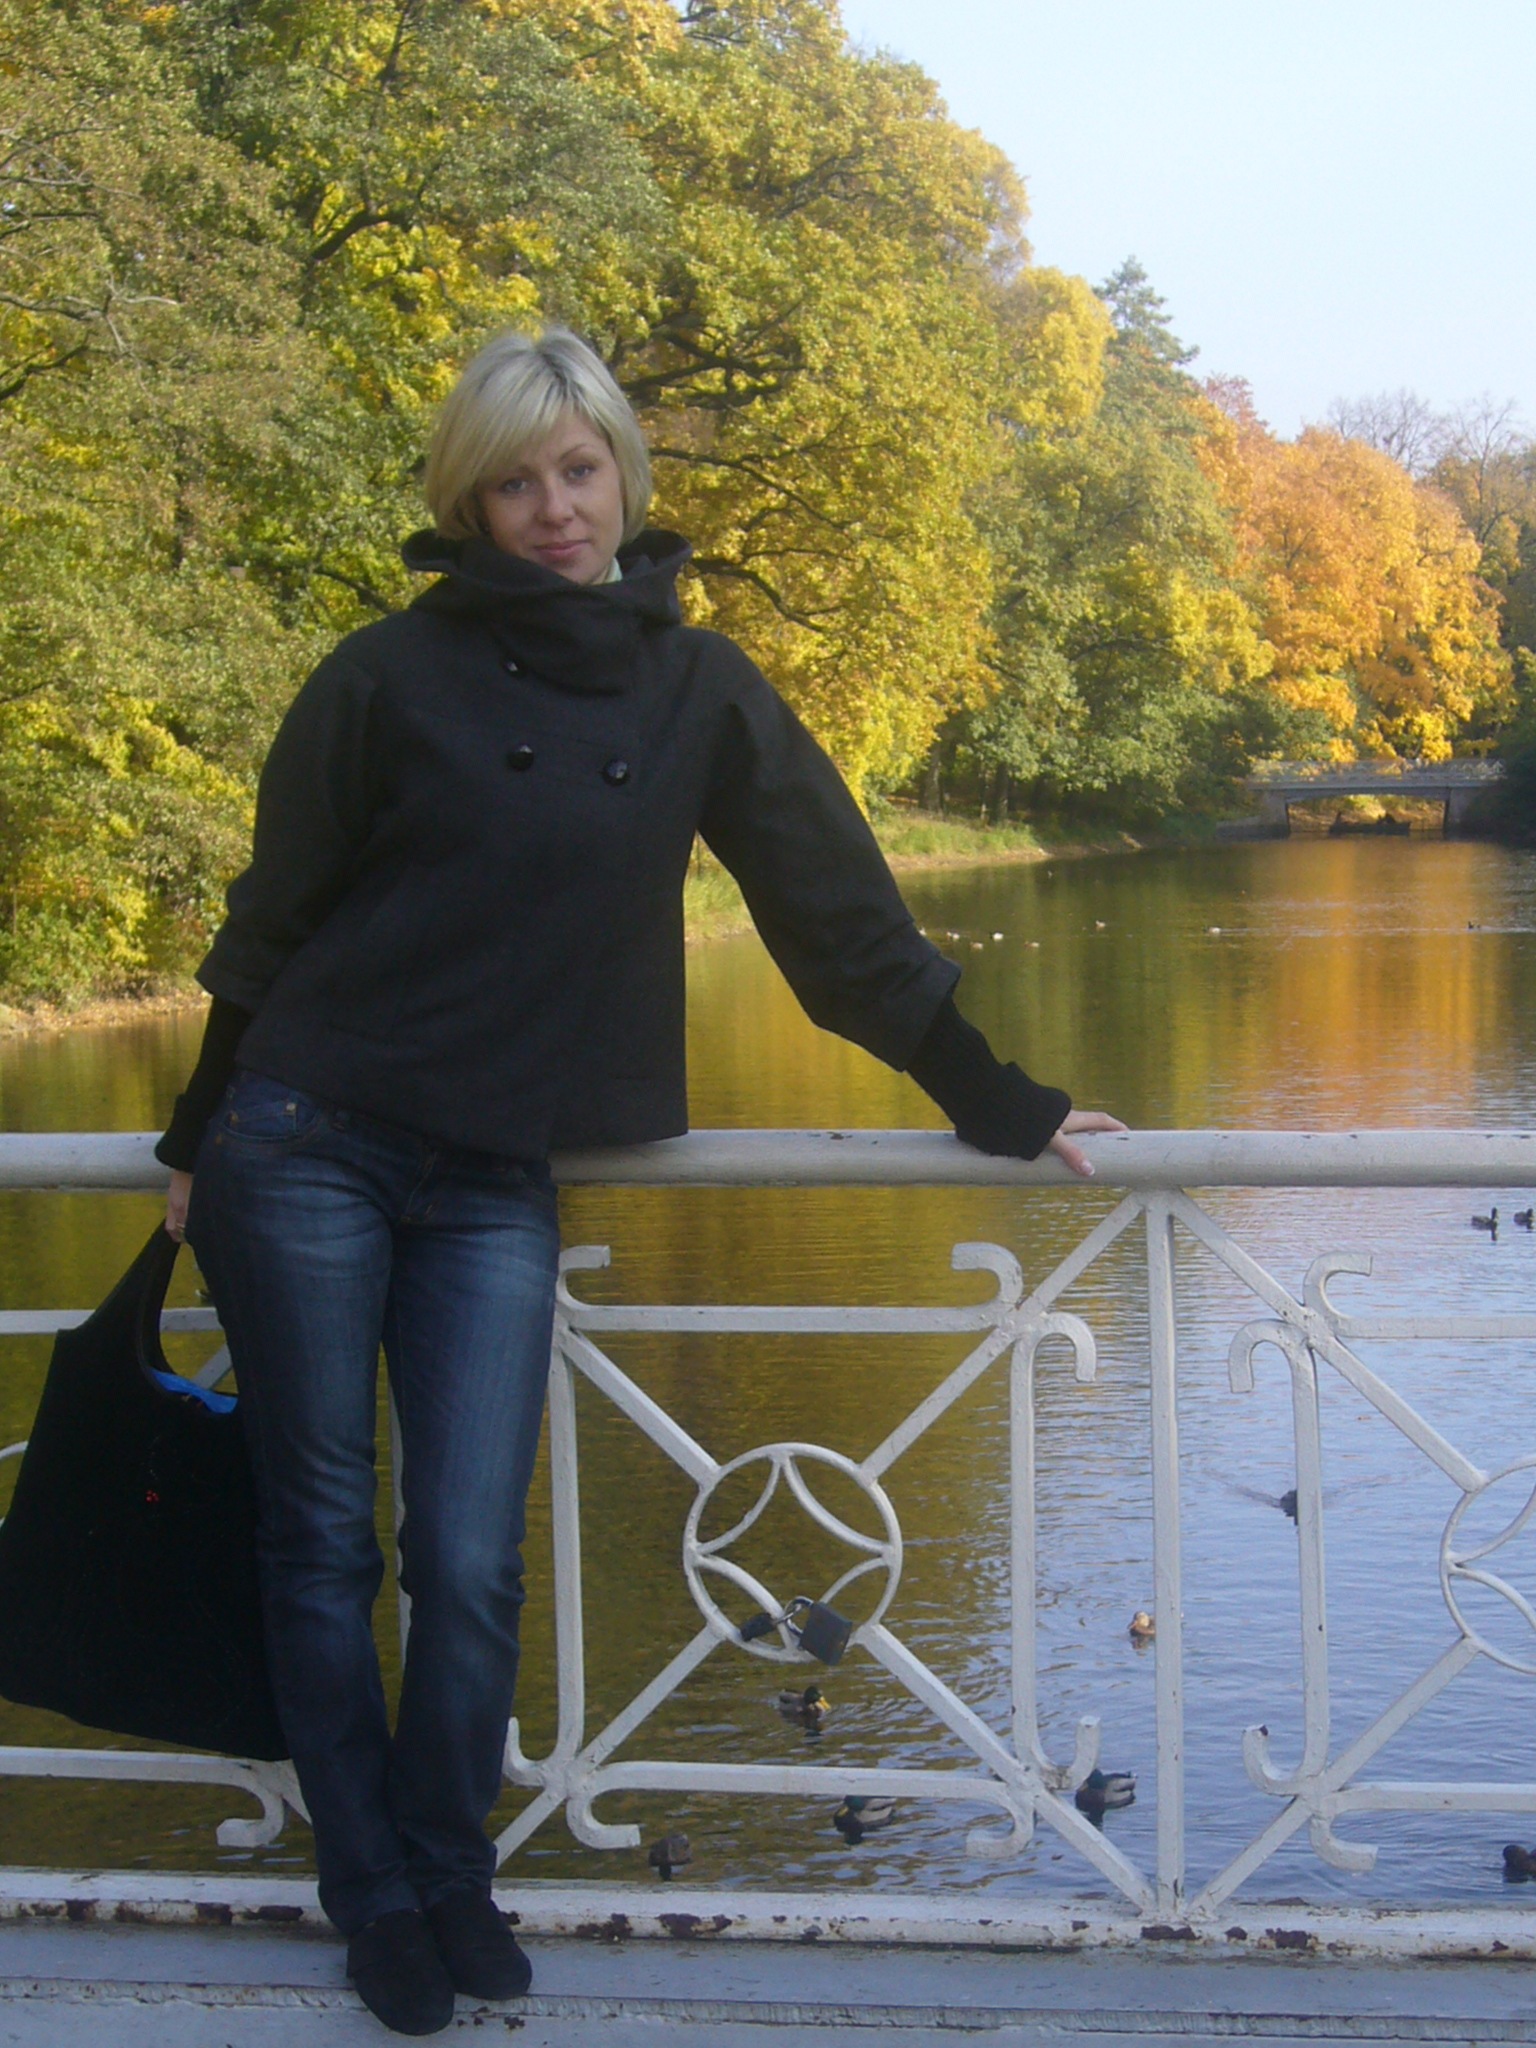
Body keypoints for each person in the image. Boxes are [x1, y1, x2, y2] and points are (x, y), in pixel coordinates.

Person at [157, 326, 1123, 2037]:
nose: (554, 509)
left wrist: (998, 1097)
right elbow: (272, 923)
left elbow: (837, 921)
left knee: (468, 1558)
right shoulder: (380, 677)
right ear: (468, 504)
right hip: (306, 1137)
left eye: (578, 469)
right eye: (513, 484)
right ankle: (373, 1891)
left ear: (623, 473)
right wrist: (192, 1138)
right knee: (319, 1541)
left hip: (491, 1171)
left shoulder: (700, 692)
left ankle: (452, 1865)